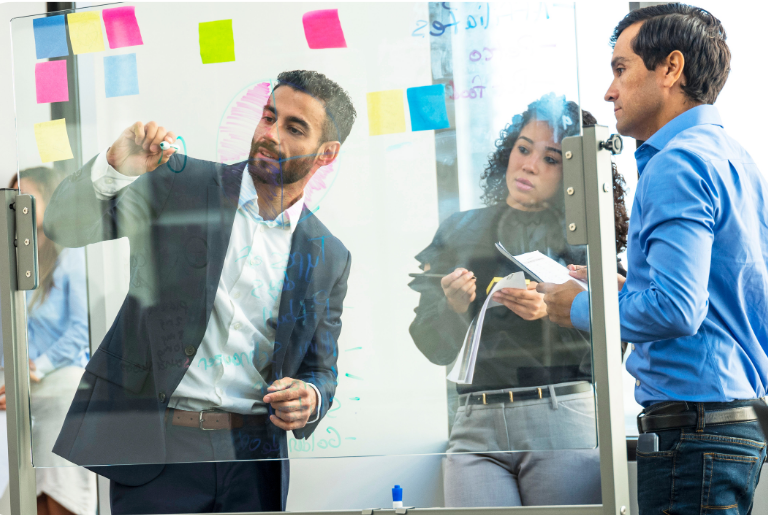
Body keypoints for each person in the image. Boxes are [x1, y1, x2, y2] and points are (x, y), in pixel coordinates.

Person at [44, 70, 355, 514]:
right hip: (159, 451)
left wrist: (312, 396)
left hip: (255, 460)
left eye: (294, 128)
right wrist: (114, 167)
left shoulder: (328, 255)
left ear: (327, 153)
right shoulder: (180, 184)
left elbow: (321, 369)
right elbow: (63, 227)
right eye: (269, 117)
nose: (270, 135)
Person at [538, 5, 768, 514]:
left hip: (694, 436)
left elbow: (678, 309)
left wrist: (579, 307)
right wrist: (629, 290)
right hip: (736, 423)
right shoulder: (734, 157)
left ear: (670, 69)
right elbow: (734, 298)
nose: (609, 91)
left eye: (621, 69)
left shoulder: (676, 163)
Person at [408, 93, 629, 507]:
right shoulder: (460, 230)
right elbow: (431, 347)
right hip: (473, 422)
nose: (529, 165)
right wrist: (454, 309)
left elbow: (612, 349)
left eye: (551, 159)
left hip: (561, 419)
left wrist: (556, 312)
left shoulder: (585, 239)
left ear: (572, 173)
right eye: (523, 149)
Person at [1, 169, 97, 515]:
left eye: (24, 198)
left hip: (57, 383)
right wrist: (8, 377)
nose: (15, 207)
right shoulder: (9, 265)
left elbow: (82, 331)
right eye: (10, 200)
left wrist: (34, 369)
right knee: (25, 496)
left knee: (56, 490)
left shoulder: (73, 256)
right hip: (18, 388)